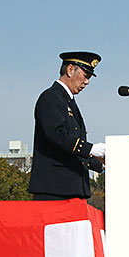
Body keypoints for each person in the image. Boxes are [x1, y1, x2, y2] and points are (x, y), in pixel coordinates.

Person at [29, 52, 106, 200]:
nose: (87, 82)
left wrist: (101, 163)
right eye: (86, 75)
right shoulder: (51, 97)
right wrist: (92, 148)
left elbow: (73, 149)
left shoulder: (68, 101)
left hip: (71, 188)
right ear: (70, 70)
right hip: (54, 189)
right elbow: (56, 135)